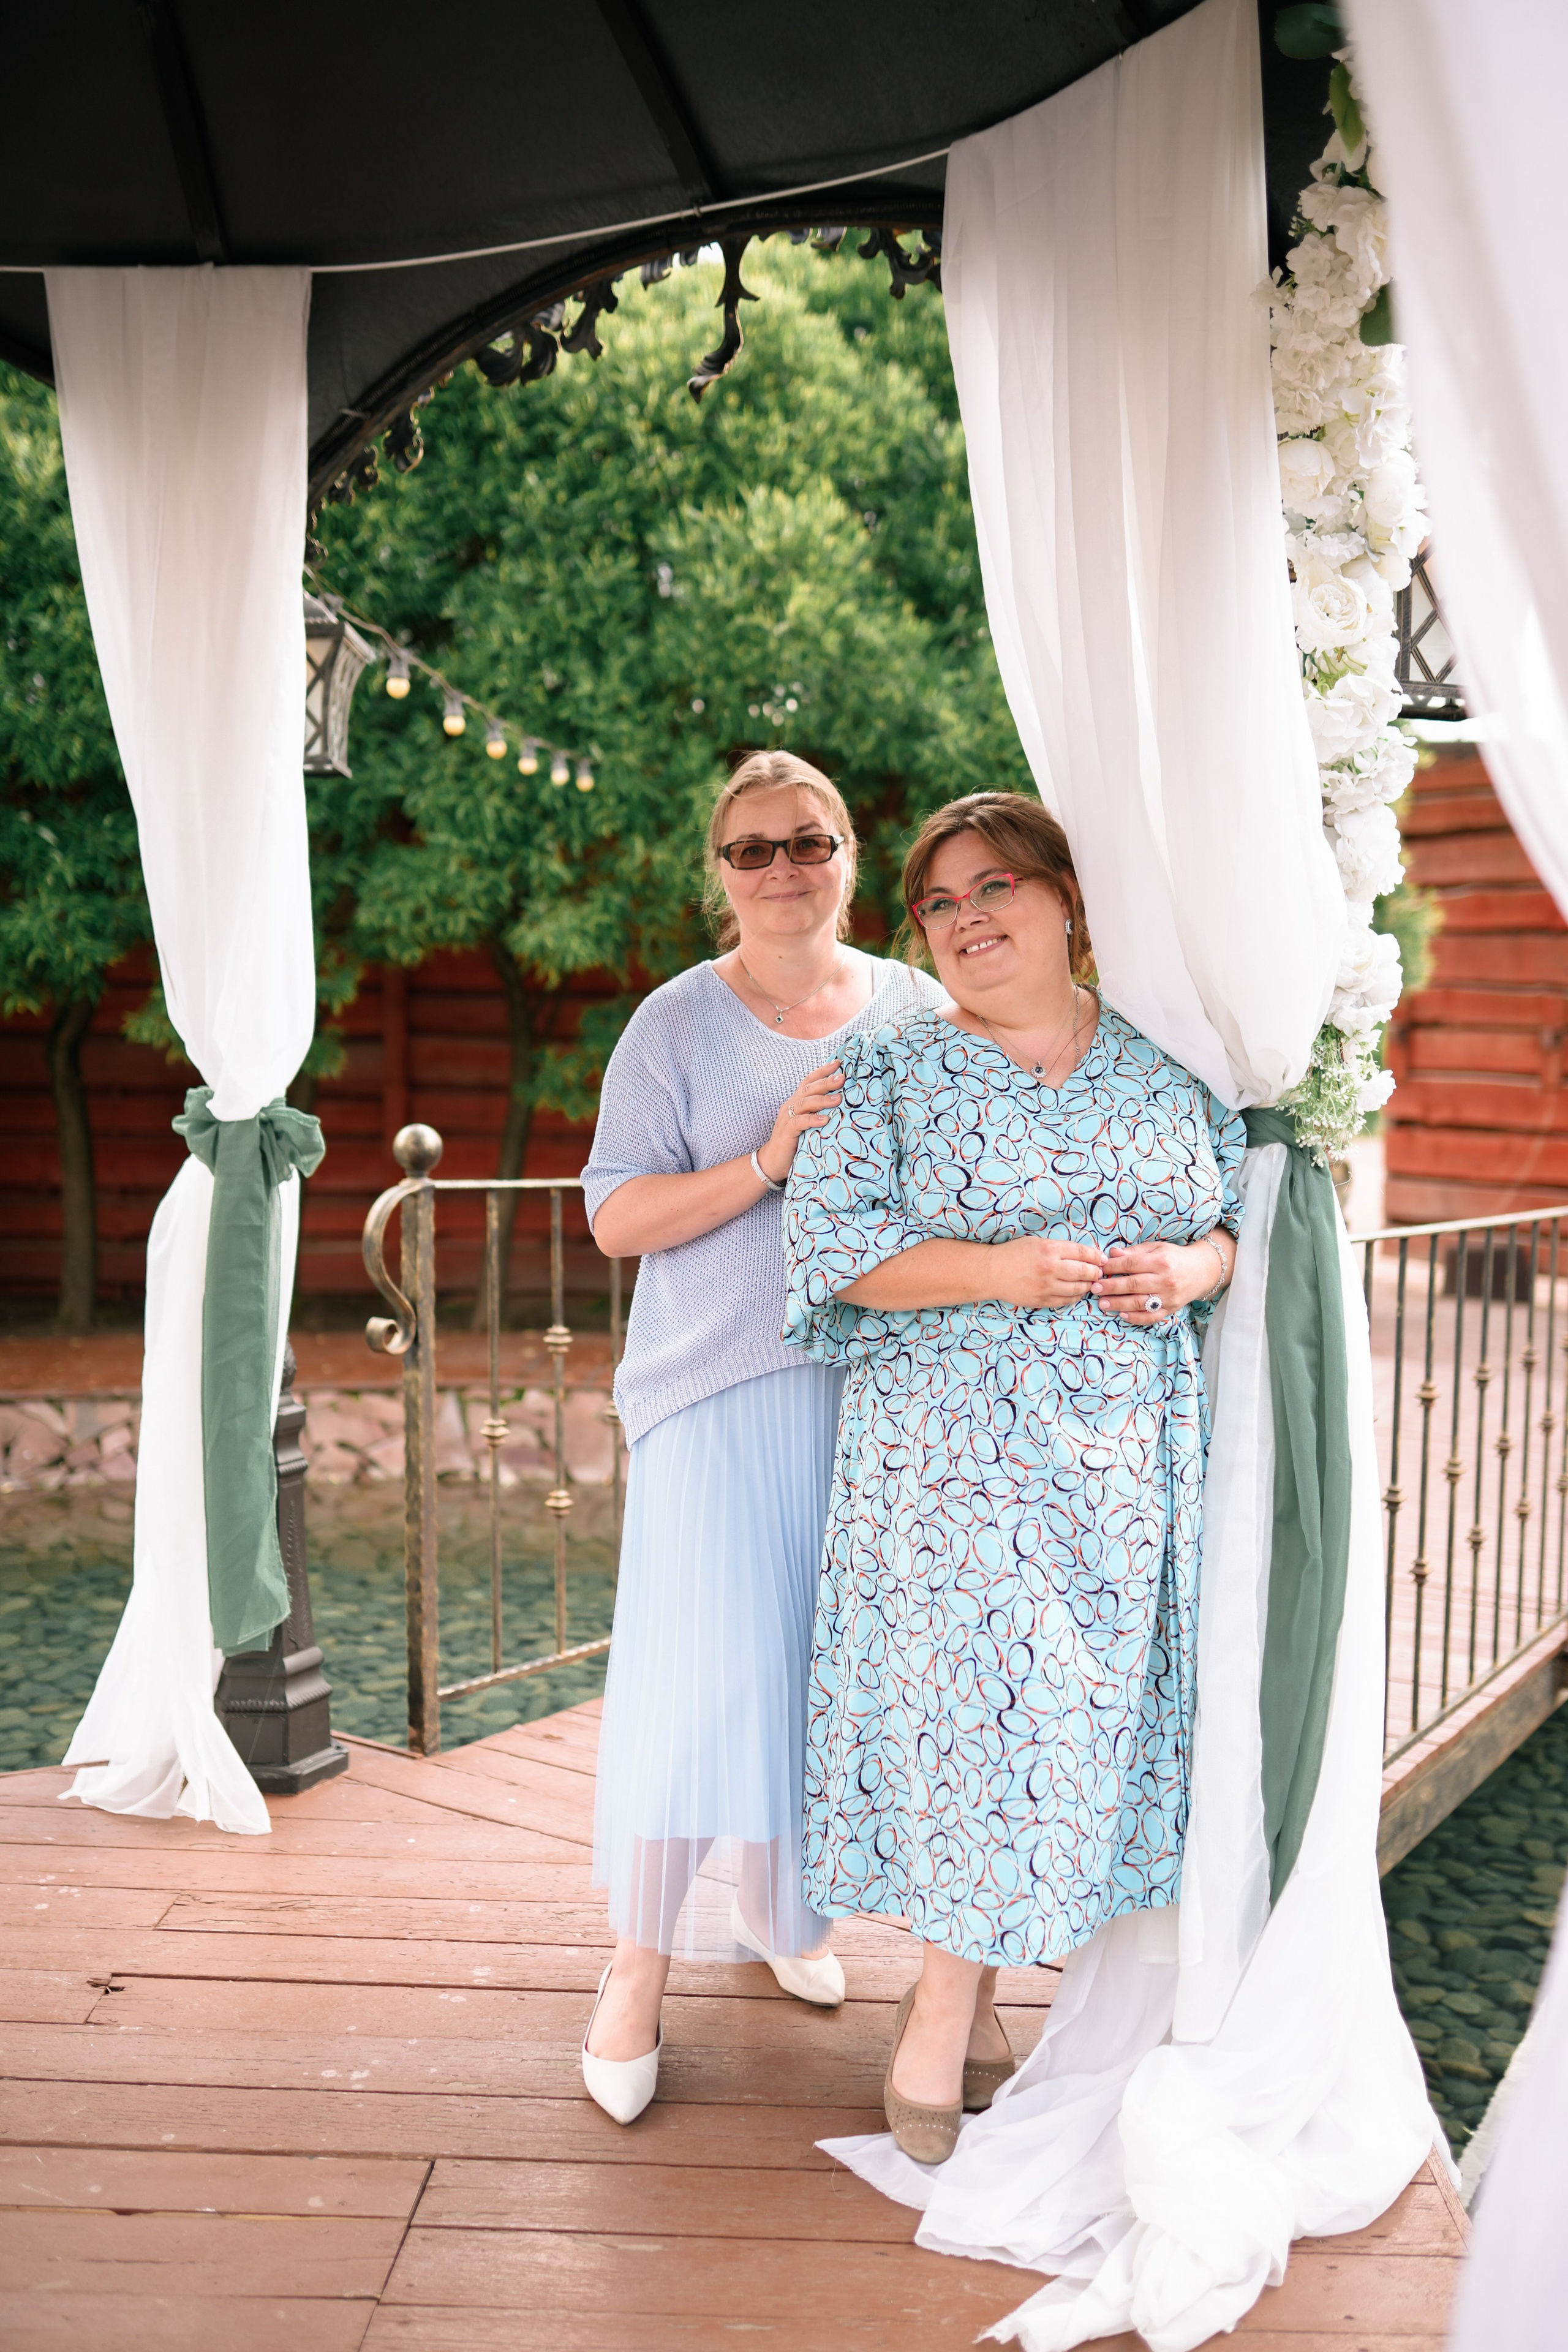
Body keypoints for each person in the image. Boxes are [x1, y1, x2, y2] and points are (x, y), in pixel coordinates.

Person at [782, 790, 1243, 2164]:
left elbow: (1222, 1213)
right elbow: (826, 1255)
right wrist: (996, 1269)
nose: (968, 919)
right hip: (947, 1475)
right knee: (976, 1736)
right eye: (938, 902)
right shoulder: (889, 1072)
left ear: (1064, 900)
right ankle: (933, 2024)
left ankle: (969, 2011)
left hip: (1116, 1474)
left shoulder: (1169, 1068)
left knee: (1057, 1740)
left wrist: (1192, 1268)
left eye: (996, 888)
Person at [578, 748, 949, 2124]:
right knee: (697, 1677)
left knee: (823, 1673)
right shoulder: (672, 1025)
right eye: (753, 849)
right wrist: (763, 1164)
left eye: (809, 841)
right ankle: (634, 1969)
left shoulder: (919, 1007)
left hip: (877, 1391)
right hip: (713, 1391)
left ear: (850, 856)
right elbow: (615, 1217)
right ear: (717, 874)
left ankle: (786, 1917)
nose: (783, 868)